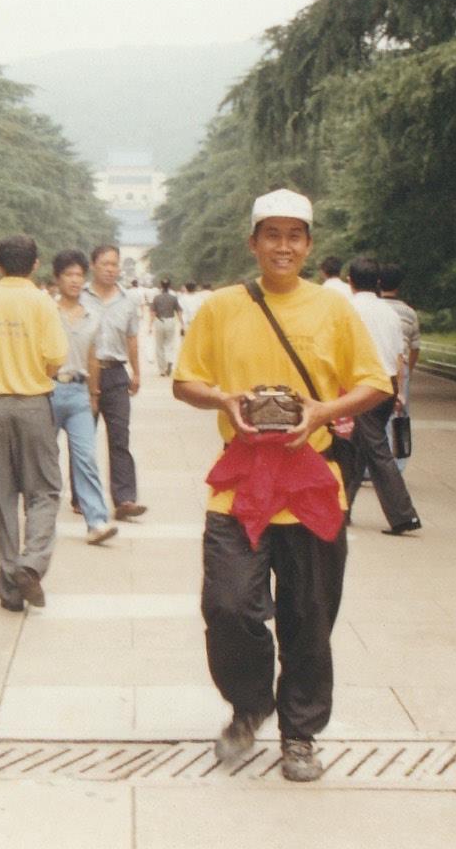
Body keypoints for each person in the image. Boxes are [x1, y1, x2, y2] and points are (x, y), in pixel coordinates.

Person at [173, 187, 388, 783]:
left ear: (309, 244)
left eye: (296, 236)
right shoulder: (221, 307)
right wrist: (223, 397)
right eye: (273, 235)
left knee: (309, 616)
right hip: (240, 483)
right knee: (228, 603)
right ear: (254, 242)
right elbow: (185, 381)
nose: (284, 246)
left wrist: (322, 411)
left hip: (313, 481)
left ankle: (300, 734)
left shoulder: (334, 309)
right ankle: (250, 702)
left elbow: (375, 382)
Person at [0, 235, 68, 611]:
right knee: (45, 490)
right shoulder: (42, 302)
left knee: (1, 494)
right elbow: (55, 357)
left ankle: (10, 584)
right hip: (35, 404)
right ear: (36, 264)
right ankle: (32, 563)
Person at [346, 256, 421, 534]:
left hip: (362, 387)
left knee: (376, 451)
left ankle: (403, 515)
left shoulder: (347, 309)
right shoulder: (390, 313)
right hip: (387, 386)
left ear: (350, 281)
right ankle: (341, 508)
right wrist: (400, 391)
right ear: (377, 283)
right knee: (356, 450)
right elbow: (400, 355)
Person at [50, 250, 117, 546]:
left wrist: (94, 394)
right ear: (57, 279)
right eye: (69, 275)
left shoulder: (93, 314)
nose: (75, 281)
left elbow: (93, 357)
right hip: (48, 390)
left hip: (78, 391)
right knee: (44, 458)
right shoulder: (46, 312)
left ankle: (97, 521)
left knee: (86, 456)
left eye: (79, 275)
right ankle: (40, 515)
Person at [83, 245, 147, 521]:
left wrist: (136, 372)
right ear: (93, 265)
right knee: (84, 440)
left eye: (115, 264)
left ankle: (125, 498)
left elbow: (132, 338)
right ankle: (81, 496)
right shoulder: (80, 297)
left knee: (120, 438)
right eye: (105, 264)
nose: (111, 269)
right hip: (84, 375)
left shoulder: (128, 301)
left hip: (116, 373)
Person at [378, 264, 420, 473]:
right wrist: (408, 372)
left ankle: (375, 465)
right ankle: (399, 464)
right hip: (400, 369)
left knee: (376, 417)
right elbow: (414, 347)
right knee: (400, 416)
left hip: (378, 367)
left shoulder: (375, 308)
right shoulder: (410, 313)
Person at [150, 279, 182, 377]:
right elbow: (179, 311)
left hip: (159, 321)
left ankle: (162, 369)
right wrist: (182, 324)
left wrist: (150, 325)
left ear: (161, 286)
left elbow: (153, 313)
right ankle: (170, 361)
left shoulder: (156, 298)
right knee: (170, 344)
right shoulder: (173, 298)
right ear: (169, 286)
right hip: (170, 321)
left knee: (159, 346)